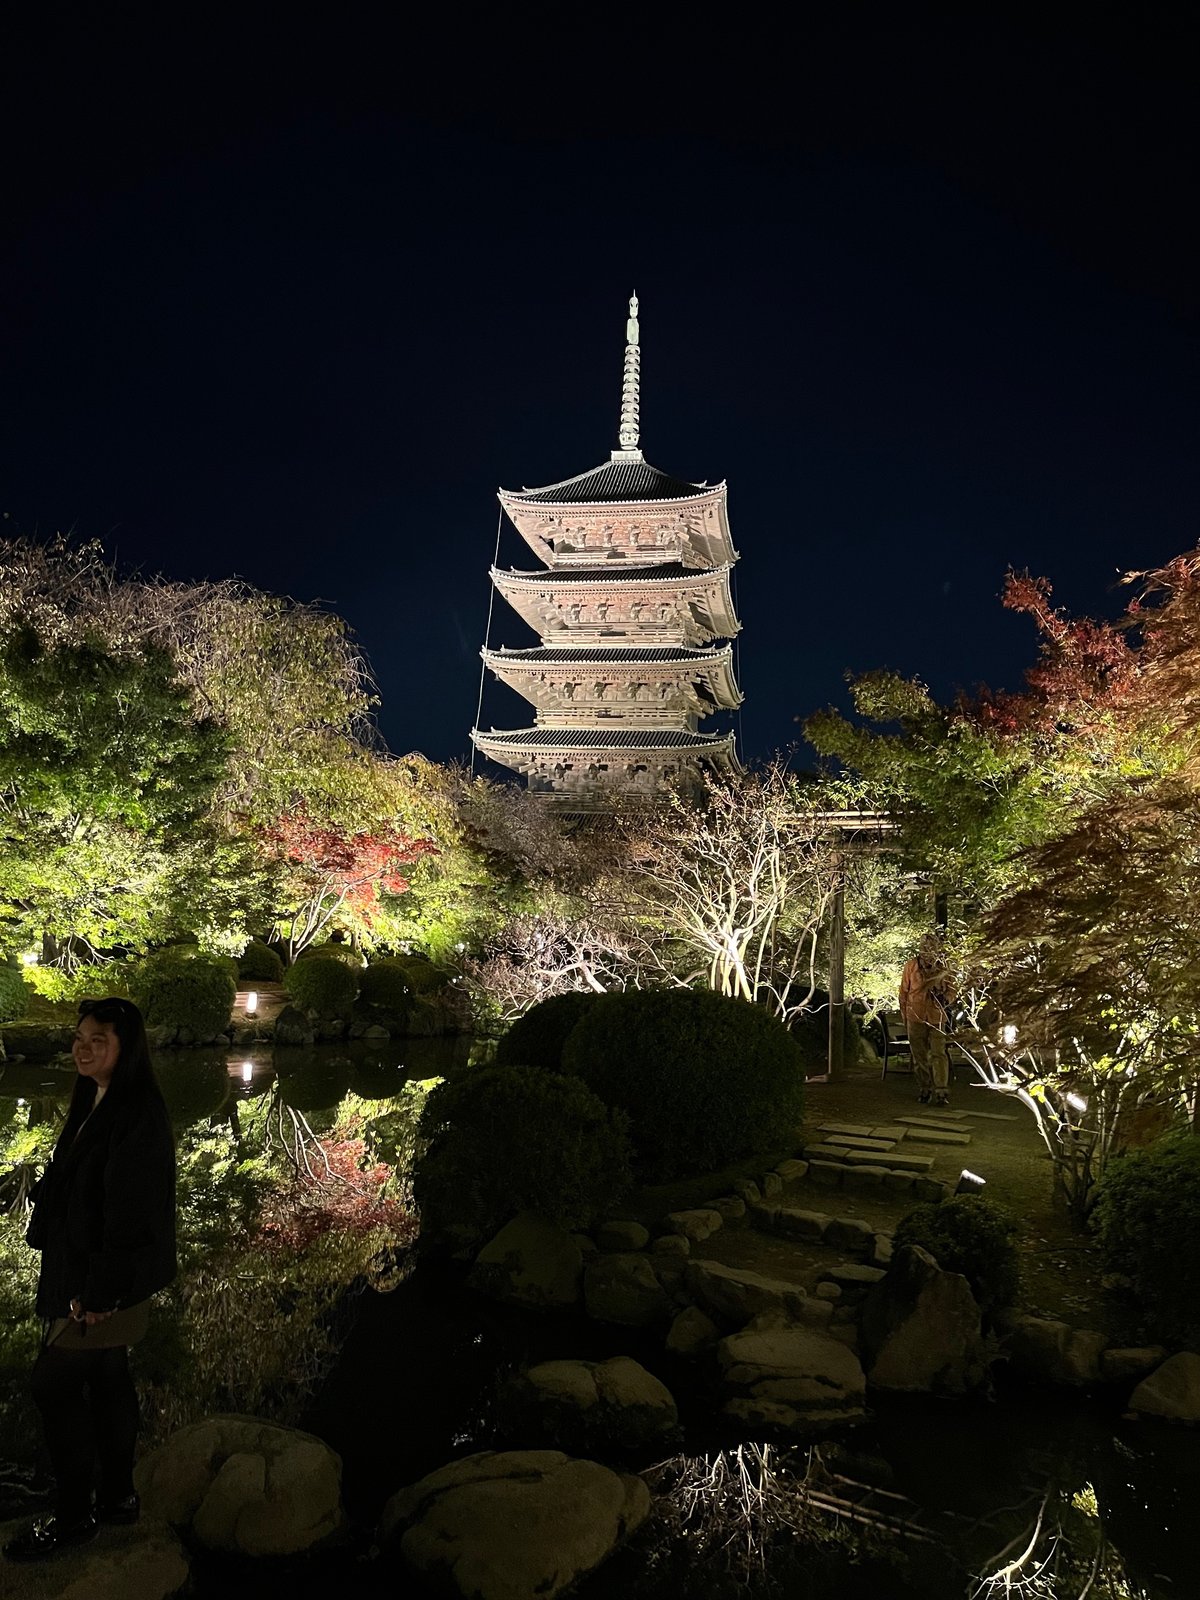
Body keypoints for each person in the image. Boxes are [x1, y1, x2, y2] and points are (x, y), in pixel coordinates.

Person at [3, 997, 176, 1564]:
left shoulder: (137, 1112)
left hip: (104, 1281)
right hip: (90, 1273)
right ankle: (120, 1497)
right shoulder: (94, 1099)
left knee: (52, 1386)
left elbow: (129, 1211)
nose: (82, 1046)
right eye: (80, 1036)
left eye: (98, 1038)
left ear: (126, 1048)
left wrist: (100, 1293)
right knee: (107, 1376)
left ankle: (76, 1516)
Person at [899, 935, 954, 1107]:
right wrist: (905, 1015)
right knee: (919, 1056)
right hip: (915, 1015)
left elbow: (952, 990)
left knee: (939, 1054)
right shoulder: (911, 966)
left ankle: (941, 1090)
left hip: (936, 1016)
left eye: (931, 947)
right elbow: (903, 992)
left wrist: (945, 999)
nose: (928, 951)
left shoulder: (943, 967)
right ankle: (924, 1088)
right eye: (925, 947)